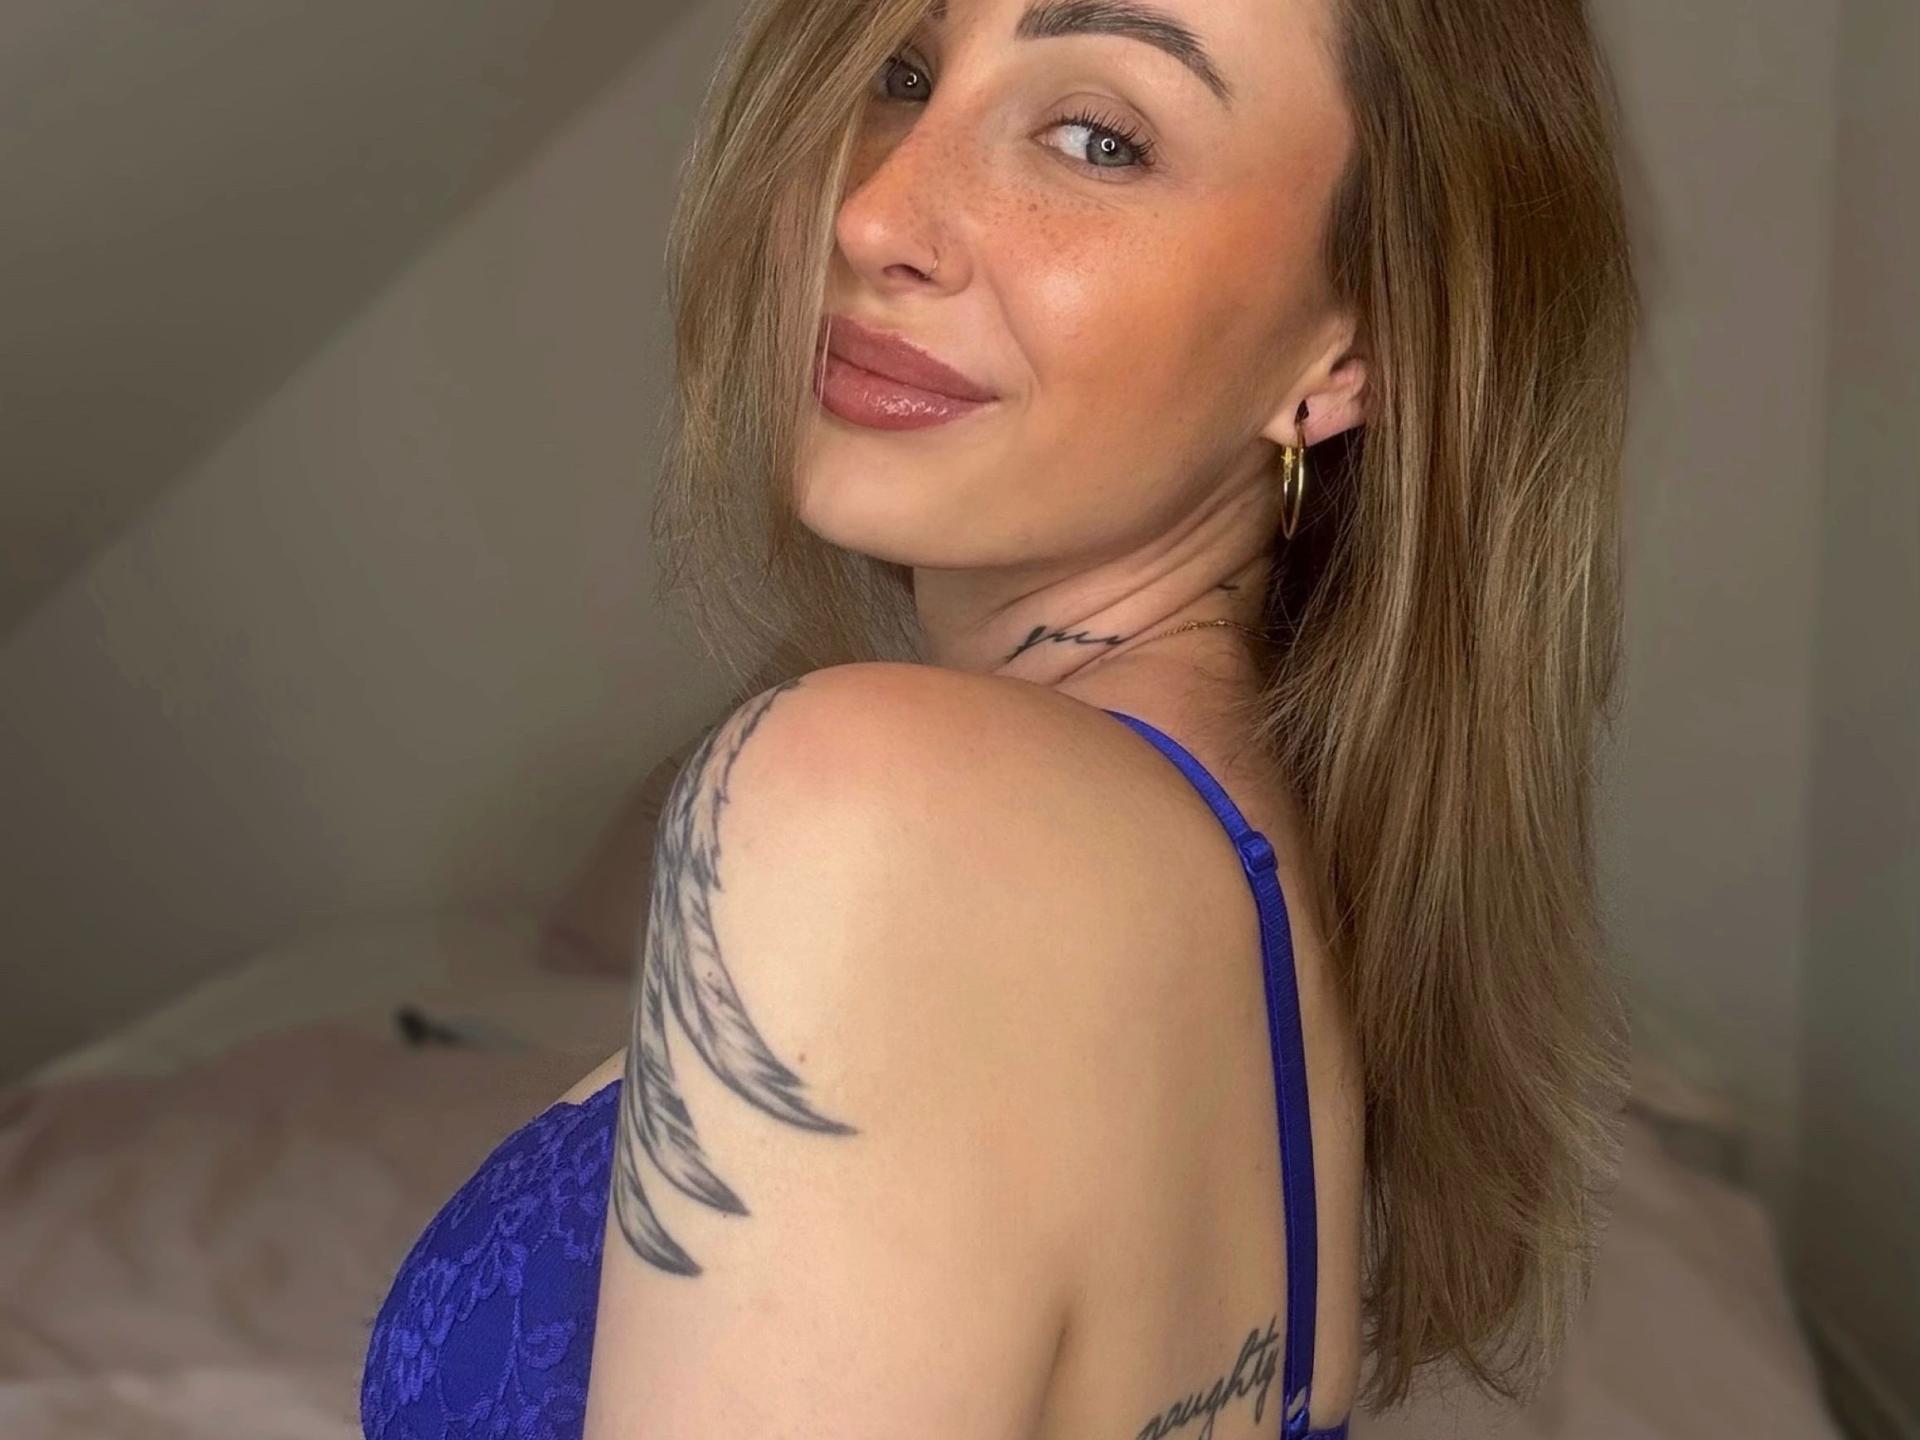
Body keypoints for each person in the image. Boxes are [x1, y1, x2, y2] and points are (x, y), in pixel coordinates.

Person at [360, 0, 1637, 1434]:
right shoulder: (1257, 882)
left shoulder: (884, 806)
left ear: (1355, 352)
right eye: (901, 73)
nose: (873, 214)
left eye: (1098, 140)